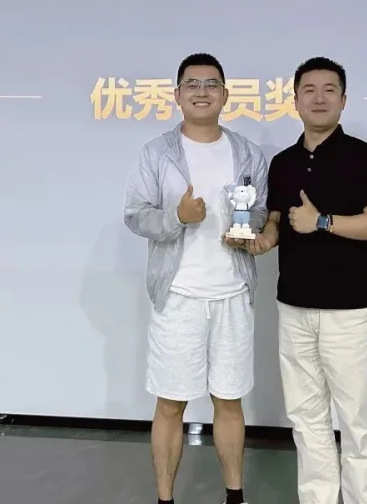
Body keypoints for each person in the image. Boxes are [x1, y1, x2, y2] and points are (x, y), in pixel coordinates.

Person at [244, 56, 367, 504]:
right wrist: (263, 239)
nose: (319, 98)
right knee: (306, 418)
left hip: (349, 310)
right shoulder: (283, 162)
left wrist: (322, 221)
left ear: (344, 100)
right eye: (309, 90)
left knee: (357, 420)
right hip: (293, 306)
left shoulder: (363, 156)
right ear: (295, 100)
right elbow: (276, 219)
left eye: (330, 90)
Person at [123, 52, 268, 504]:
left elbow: (260, 210)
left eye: (211, 84)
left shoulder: (247, 152)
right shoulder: (157, 152)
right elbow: (135, 215)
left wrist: (248, 229)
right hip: (179, 296)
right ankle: (165, 498)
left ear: (225, 94)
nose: (202, 91)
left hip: (232, 293)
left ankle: (235, 495)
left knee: (229, 401)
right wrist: (178, 216)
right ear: (177, 95)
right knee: (171, 403)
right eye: (192, 84)